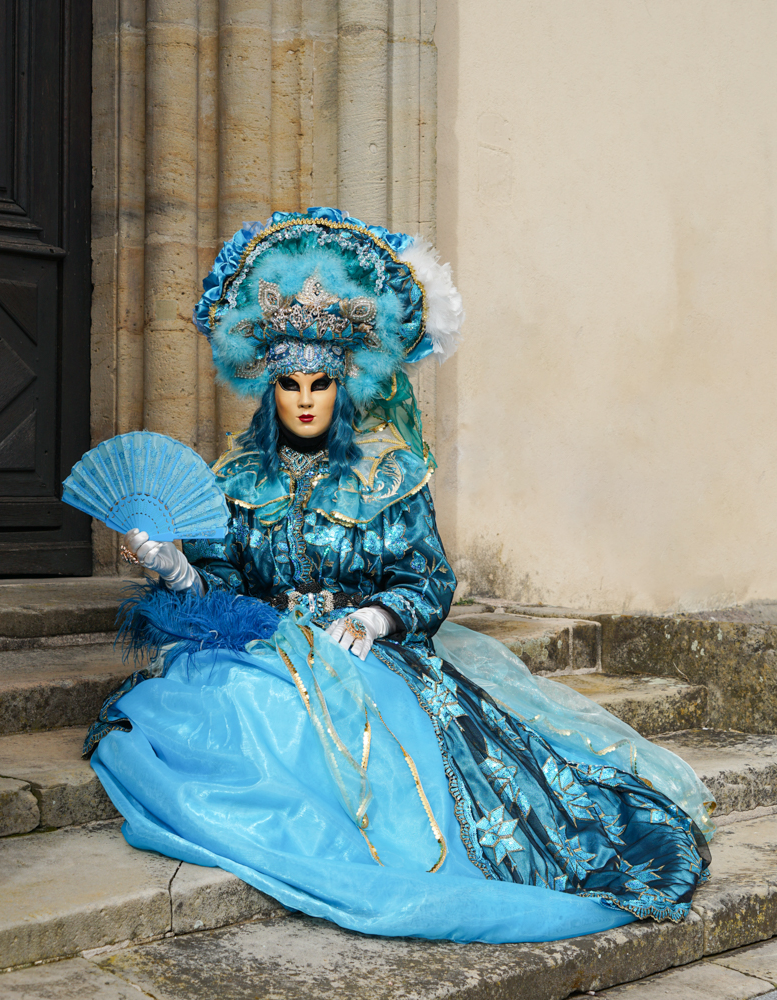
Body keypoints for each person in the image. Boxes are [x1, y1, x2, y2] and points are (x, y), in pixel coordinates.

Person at [87, 208, 713, 944]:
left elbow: (427, 576)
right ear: (270, 388)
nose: (308, 398)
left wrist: (374, 618)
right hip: (265, 647)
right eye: (290, 384)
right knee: (218, 707)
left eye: (321, 383)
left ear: (344, 385)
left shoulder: (389, 473)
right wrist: (176, 568)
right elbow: (224, 587)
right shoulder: (236, 477)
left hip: (367, 657)